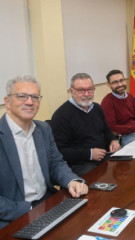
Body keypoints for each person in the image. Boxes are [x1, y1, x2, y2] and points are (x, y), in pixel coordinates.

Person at [0, 76, 88, 229]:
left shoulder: (43, 129)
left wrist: (71, 180)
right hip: (14, 215)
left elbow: (56, 163)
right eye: (22, 96)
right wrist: (29, 210)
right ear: (7, 101)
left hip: (48, 202)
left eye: (35, 97)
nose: (29, 102)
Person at [51, 73, 120, 176]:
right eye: (81, 90)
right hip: (80, 163)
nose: (87, 94)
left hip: (104, 156)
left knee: (125, 168)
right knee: (97, 179)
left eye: (90, 89)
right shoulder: (61, 115)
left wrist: (113, 140)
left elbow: (106, 130)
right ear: (72, 91)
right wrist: (90, 154)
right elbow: (59, 151)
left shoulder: (97, 108)